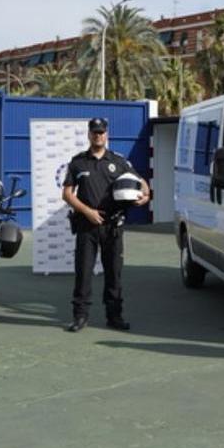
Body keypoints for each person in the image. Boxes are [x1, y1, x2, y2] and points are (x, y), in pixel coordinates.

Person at [61, 117, 151, 332]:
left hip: (112, 226)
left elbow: (142, 184)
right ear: (89, 134)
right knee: (83, 272)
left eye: (101, 132)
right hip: (87, 225)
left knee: (114, 273)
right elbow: (66, 194)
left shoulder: (118, 161)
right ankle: (80, 317)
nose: (98, 135)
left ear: (106, 134)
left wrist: (145, 197)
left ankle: (115, 316)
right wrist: (88, 212)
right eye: (94, 132)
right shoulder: (78, 162)